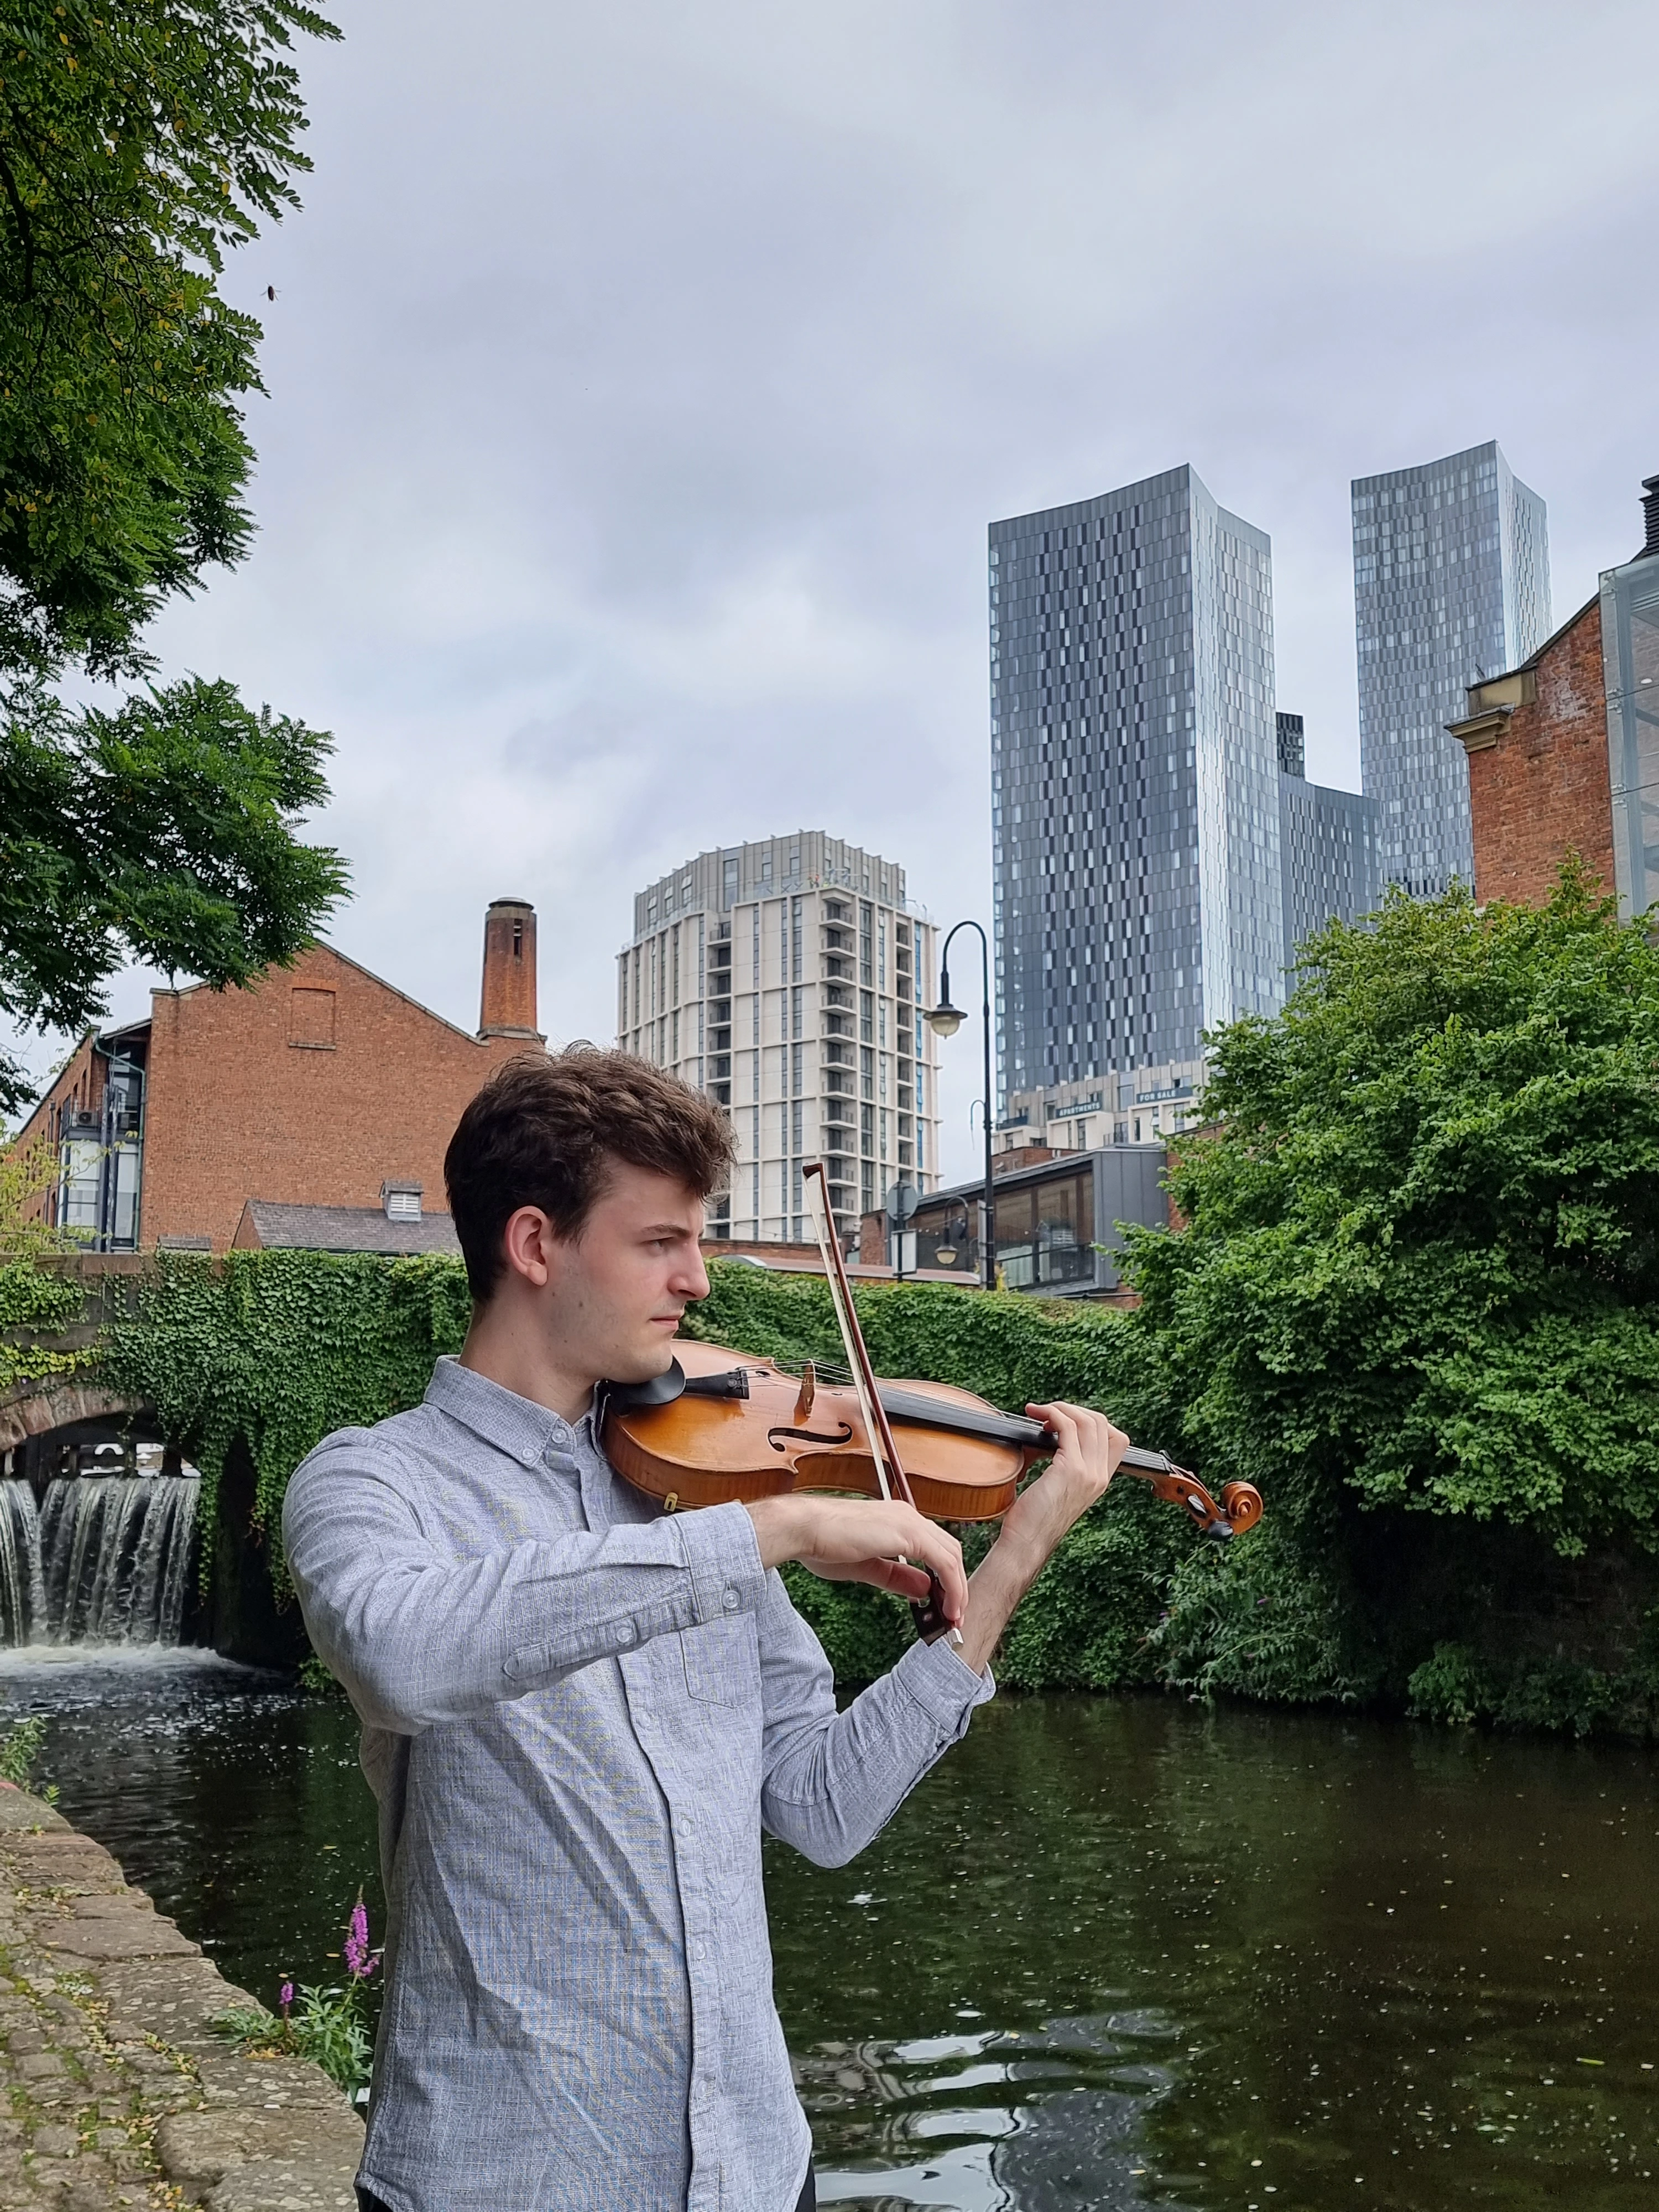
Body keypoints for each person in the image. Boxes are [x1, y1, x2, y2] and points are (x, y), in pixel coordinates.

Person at [283, 1047, 1126, 2212]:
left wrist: (1013, 1558)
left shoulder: (696, 1492)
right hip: (512, 2178)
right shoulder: (374, 1481)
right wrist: (768, 1531)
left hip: (753, 2171)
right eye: (660, 1241)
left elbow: (818, 1806)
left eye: (701, 1239)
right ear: (536, 1245)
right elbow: (403, 1654)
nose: (701, 1282)